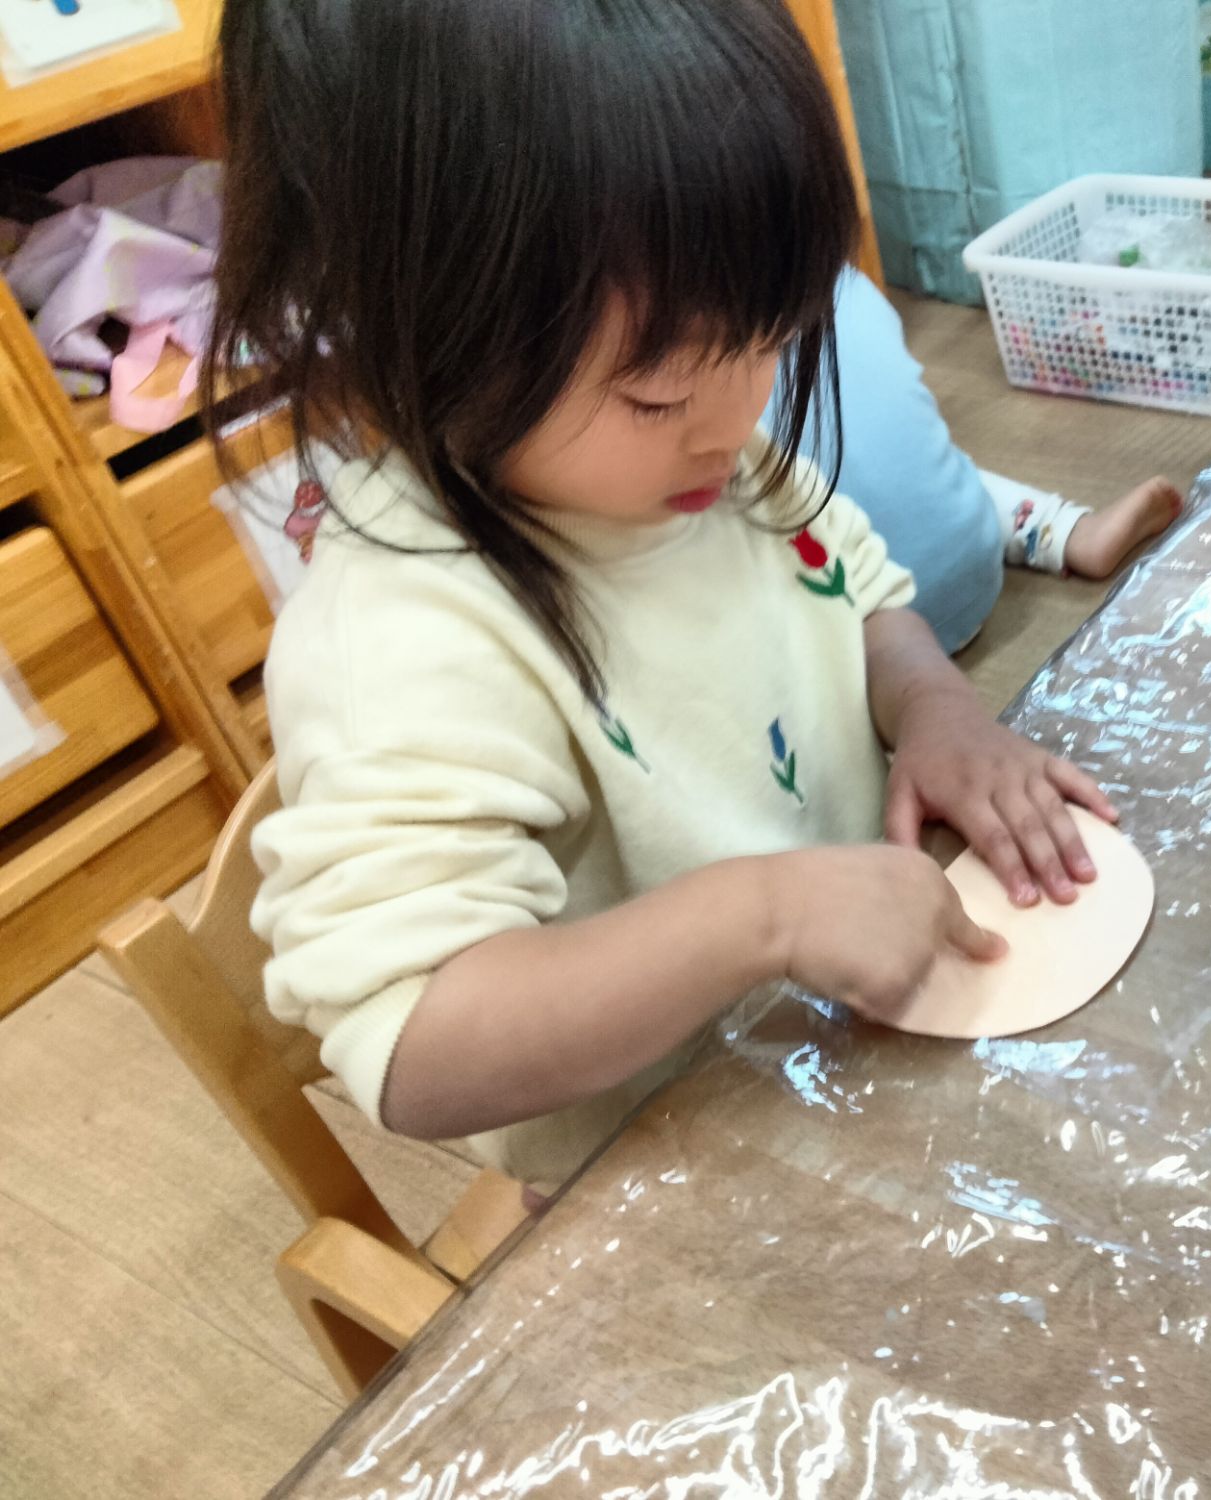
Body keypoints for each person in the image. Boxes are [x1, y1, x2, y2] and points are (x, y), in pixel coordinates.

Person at [207, 0, 1119, 1190]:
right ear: (418, 317)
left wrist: (935, 708)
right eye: (656, 393)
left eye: (771, 343)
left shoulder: (714, 465)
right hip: (669, 1173)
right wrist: (765, 917)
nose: (735, 423)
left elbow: (857, 590)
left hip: (849, 1045)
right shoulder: (404, 639)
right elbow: (416, 1046)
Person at [774, 268, 1182, 656]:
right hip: (970, 575)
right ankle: (1063, 530)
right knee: (928, 463)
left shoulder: (735, 352)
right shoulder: (852, 285)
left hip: (860, 642)